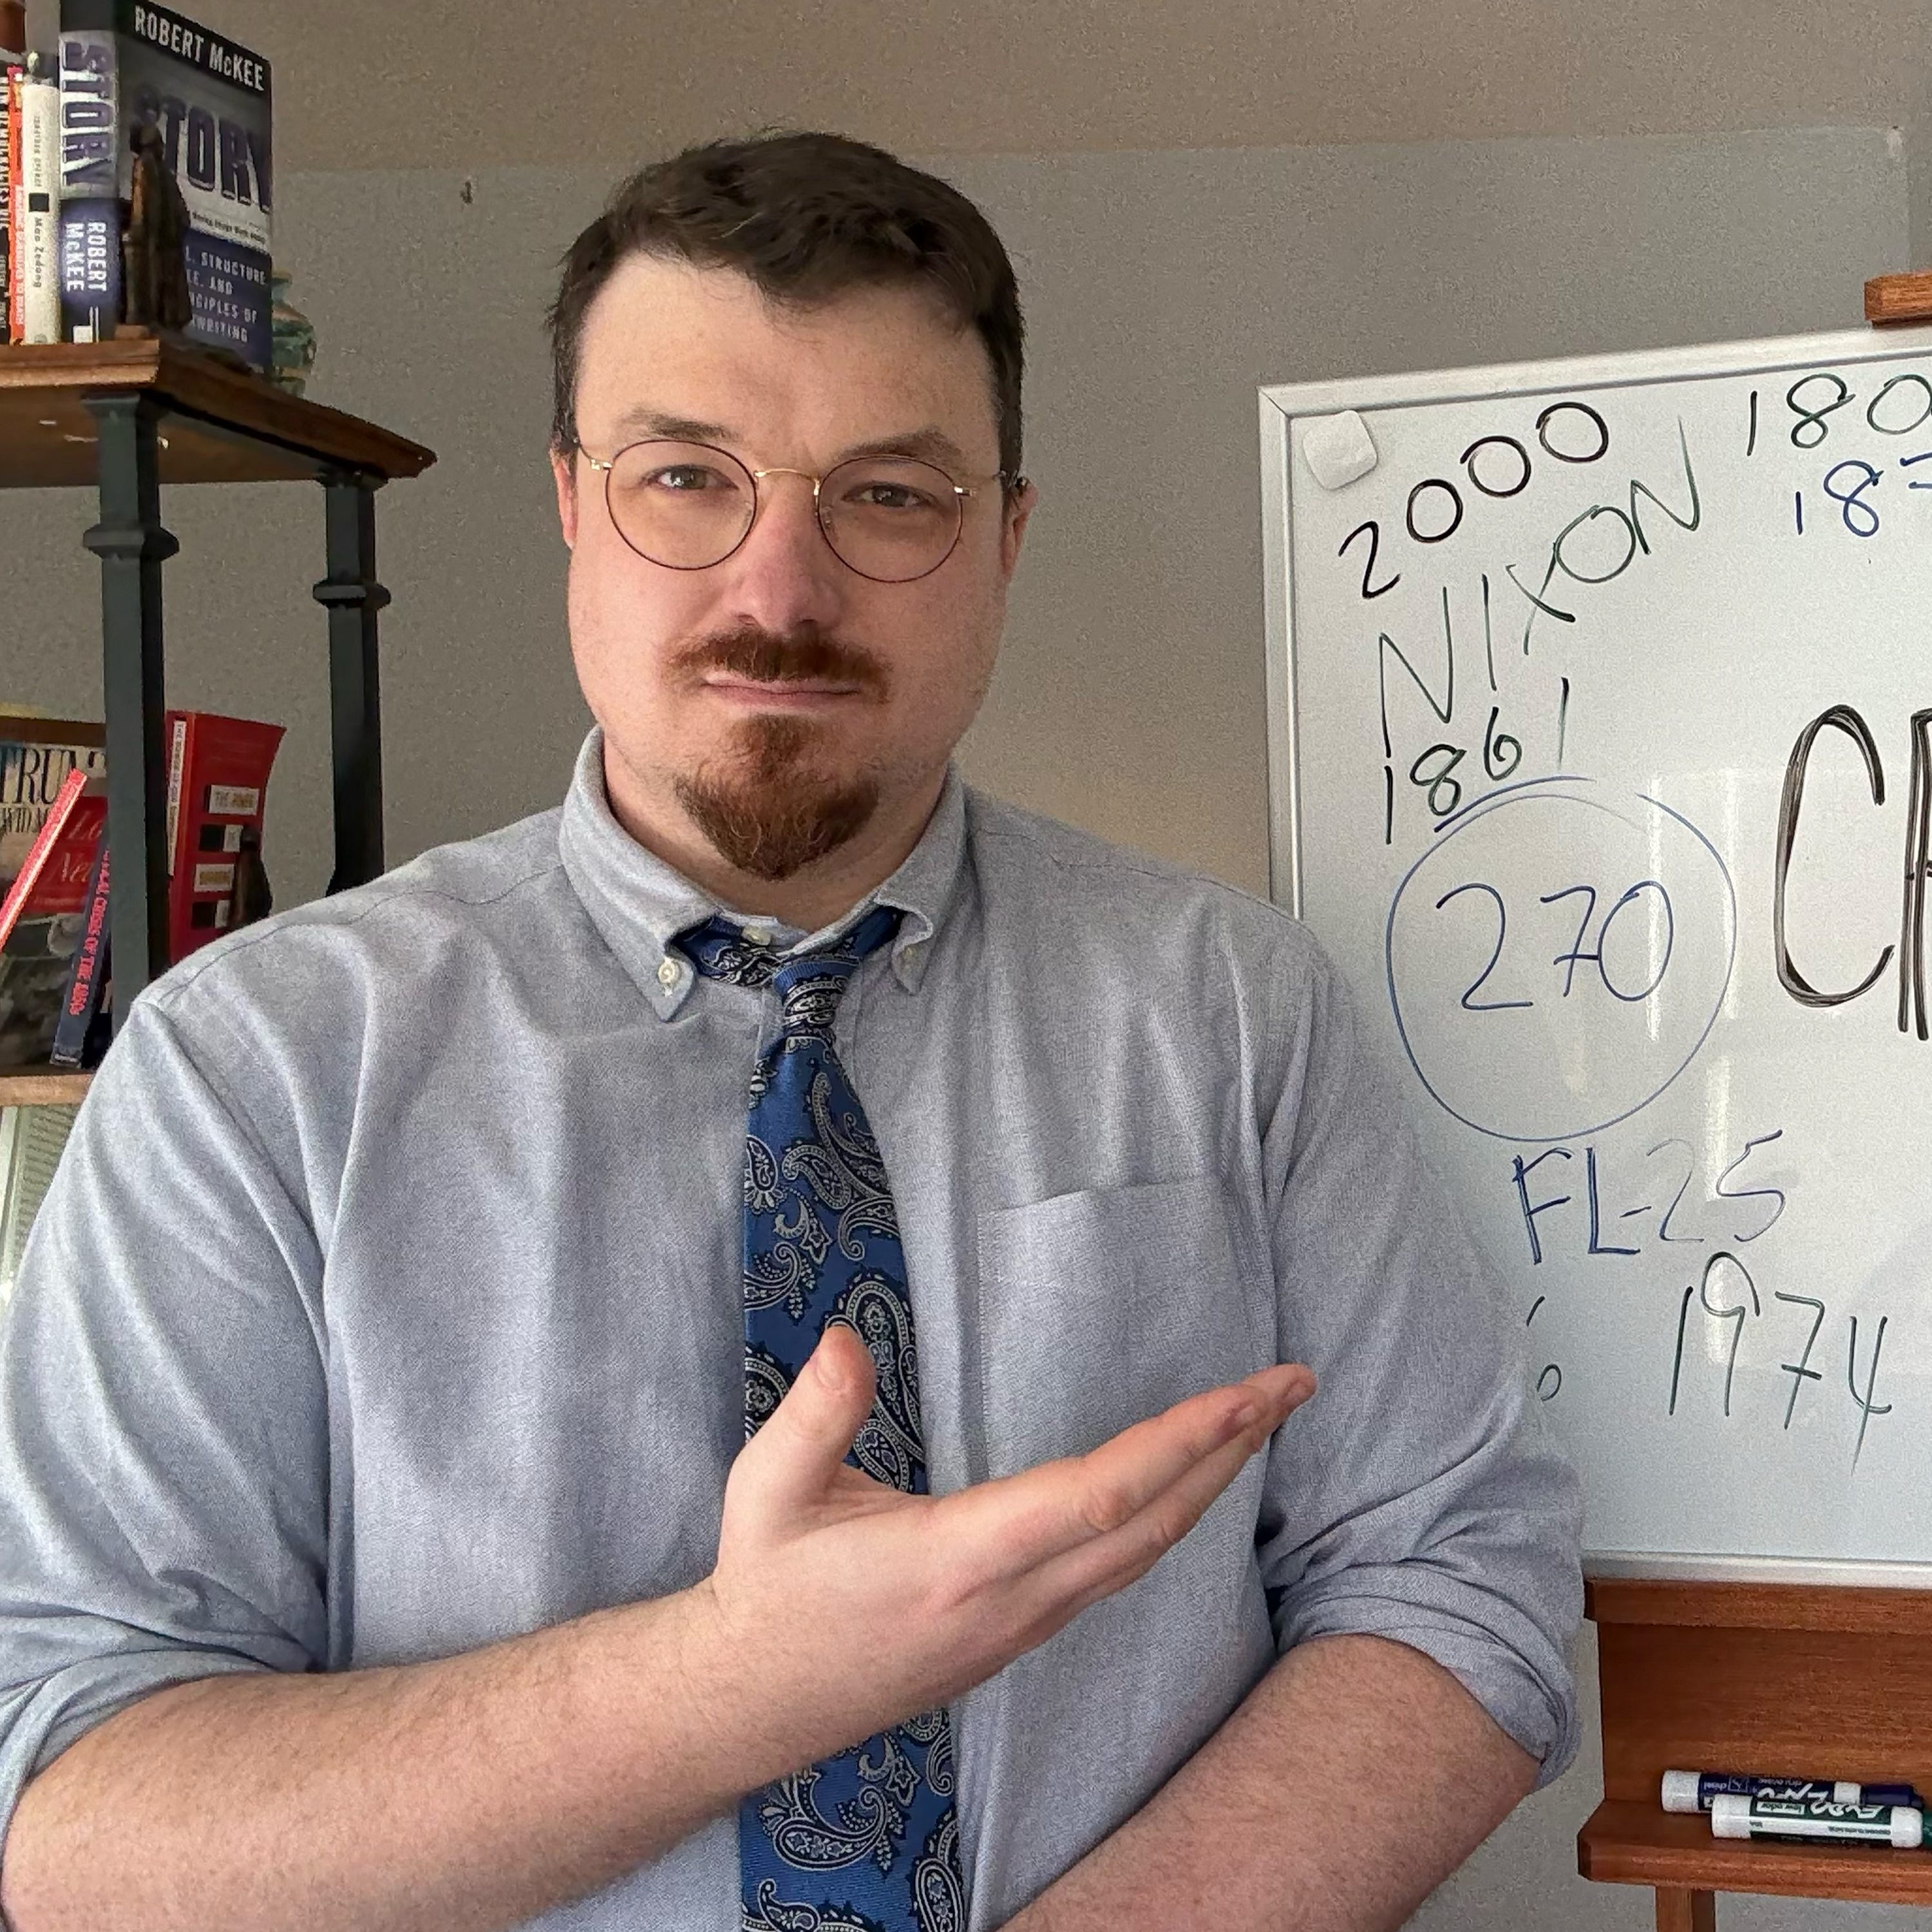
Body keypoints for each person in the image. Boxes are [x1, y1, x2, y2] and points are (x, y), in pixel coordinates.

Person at [0, 133, 1582, 1931]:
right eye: (688, 478)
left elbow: (1461, 1580)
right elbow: (76, 1817)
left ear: (1006, 539)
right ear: (573, 504)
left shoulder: (1235, 1012)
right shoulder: (252, 1071)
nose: (780, 591)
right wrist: (735, 1683)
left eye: (890, 496)